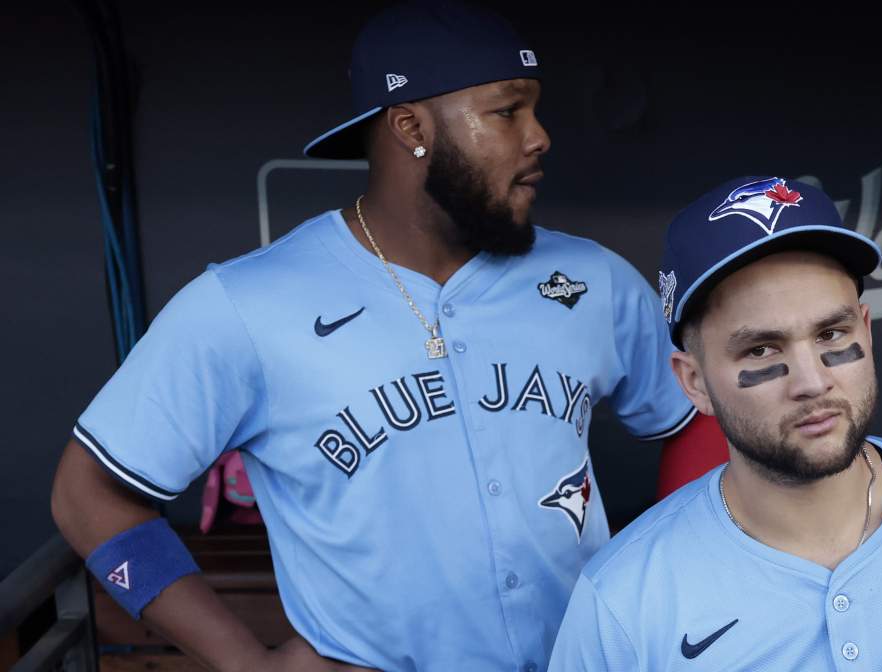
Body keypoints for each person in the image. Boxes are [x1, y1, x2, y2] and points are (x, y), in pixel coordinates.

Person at [49, 2, 697, 670]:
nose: (539, 137)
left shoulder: (591, 278)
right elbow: (85, 495)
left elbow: (695, 424)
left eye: (534, 109)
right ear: (411, 126)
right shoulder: (244, 304)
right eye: (507, 111)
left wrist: (692, 580)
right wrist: (245, 663)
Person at [547, 176, 882, 671]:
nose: (812, 381)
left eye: (832, 334)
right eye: (761, 349)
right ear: (694, 383)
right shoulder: (622, 596)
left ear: (866, 330)